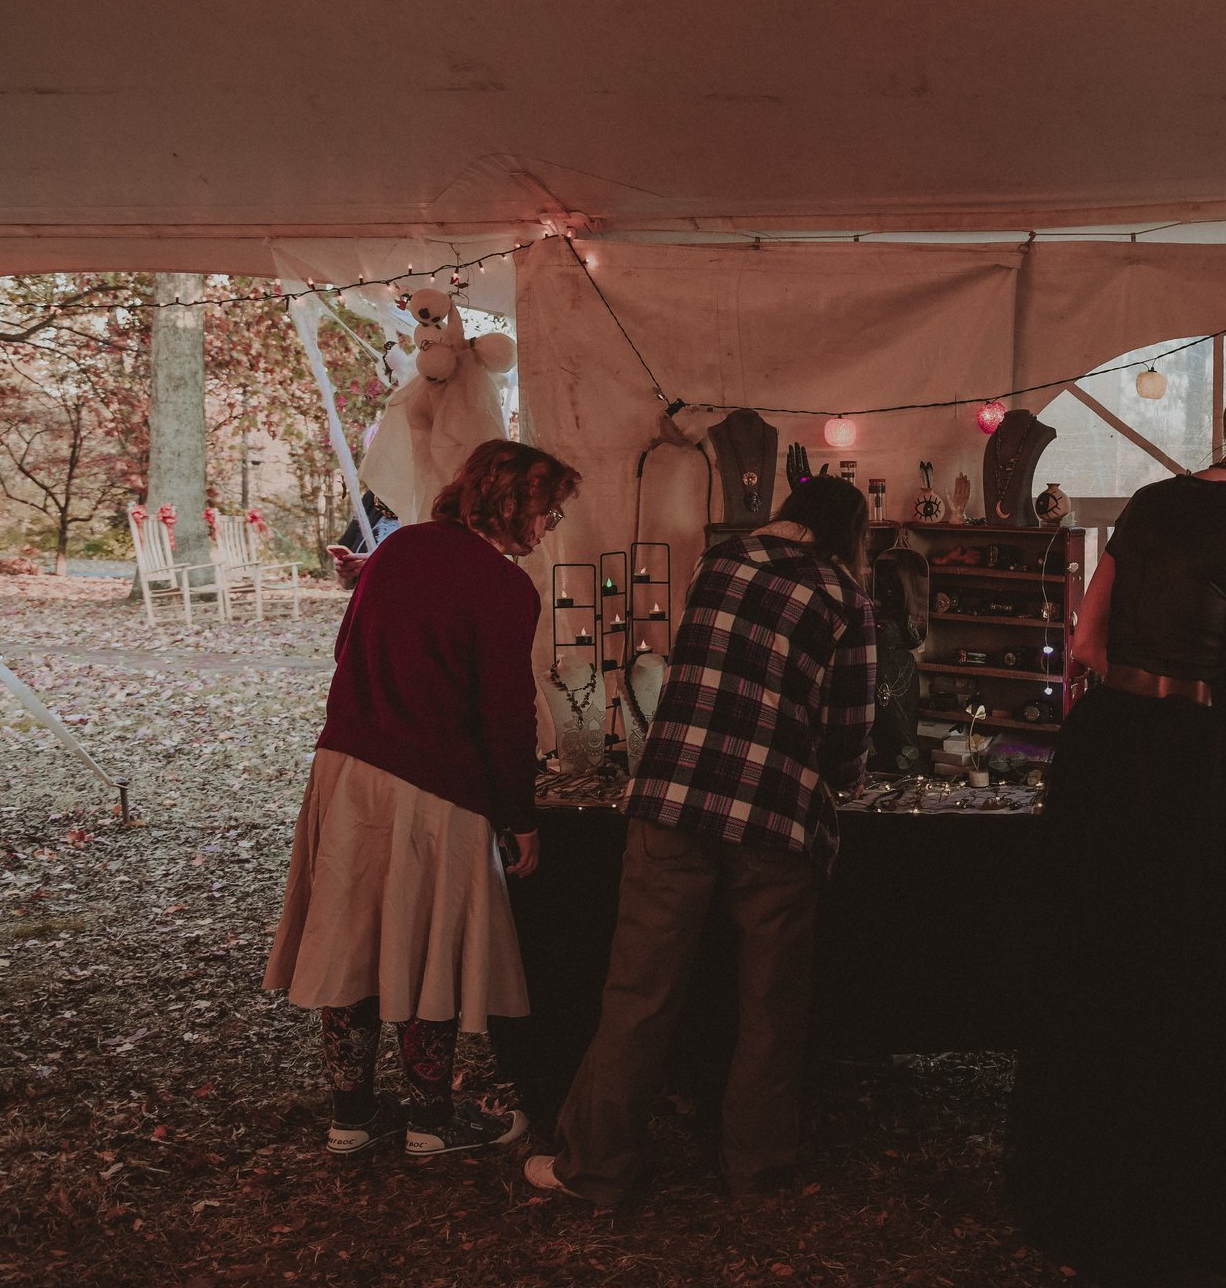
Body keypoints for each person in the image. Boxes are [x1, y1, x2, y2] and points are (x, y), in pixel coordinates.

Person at [1006, 314, 1226, 1288]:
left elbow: (1086, 646)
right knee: (1199, 995)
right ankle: (1176, 1233)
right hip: (1202, 774)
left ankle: (1088, 1211)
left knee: (1107, 974)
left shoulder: (1151, 502)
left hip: (1111, 757)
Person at [528, 475, 877, 1206]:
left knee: (639, 992)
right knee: (771, 1004)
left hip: (673, 796)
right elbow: (849, 735)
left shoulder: (721, 561)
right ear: (851, 535)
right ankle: (756, 1170)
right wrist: (838, 775)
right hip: (775, 814)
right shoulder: (847, 596)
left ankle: (597, 1168)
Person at [263, 439, 580, 1158]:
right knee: (422, 939)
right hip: (433, 780)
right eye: (546, 509)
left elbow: (348, 646)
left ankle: (351, 1115)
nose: (549, 525)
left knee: (353, 934)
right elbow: (505, 714)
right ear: (509, 501)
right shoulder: (504, 588)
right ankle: (431, 1121)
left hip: (347, 767)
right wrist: (520, 818)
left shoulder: (398, 550)